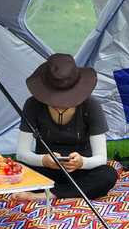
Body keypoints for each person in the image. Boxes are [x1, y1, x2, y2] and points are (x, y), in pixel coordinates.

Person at [10, 53, 118, 202]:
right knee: (15, 168)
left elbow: (101, 158)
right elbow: (21, 153)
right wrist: (44, 160)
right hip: (46, 170)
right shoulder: (33, 105)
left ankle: (43, 195)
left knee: (108, 174)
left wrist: (82, 162)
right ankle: (73, 191)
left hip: (81, 171)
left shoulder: (91, 107)